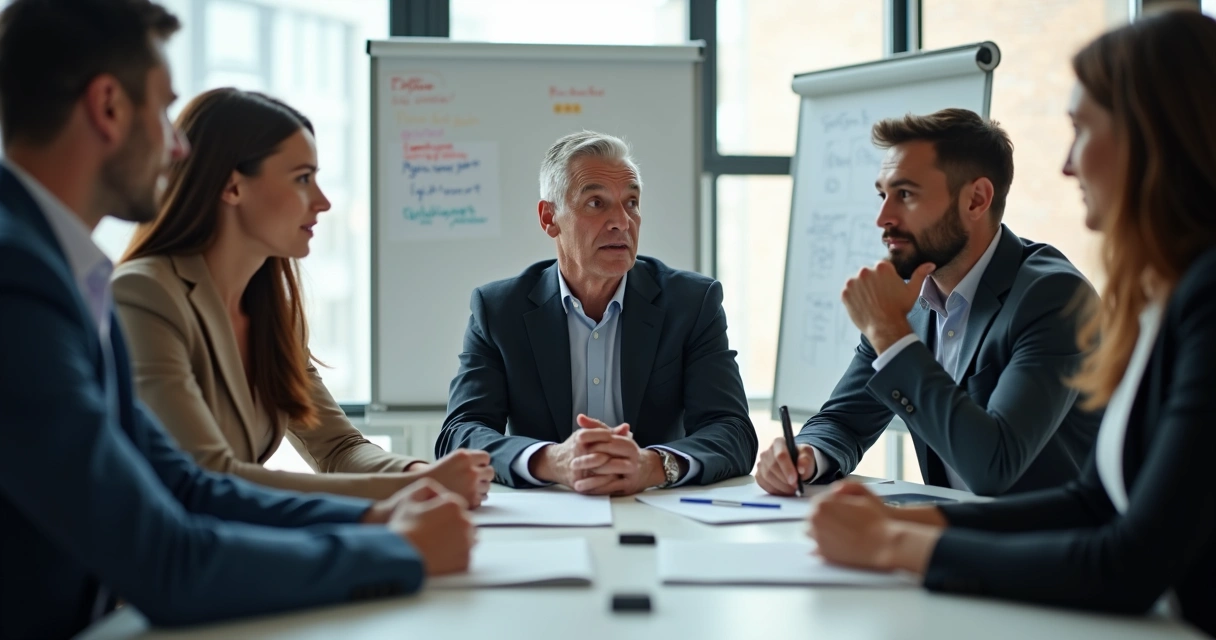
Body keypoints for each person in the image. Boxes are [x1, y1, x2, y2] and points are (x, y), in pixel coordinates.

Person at [0, 2, 473, 638]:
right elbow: (167, 558)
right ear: (108, 107)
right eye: (164, 109)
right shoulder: (21, 283)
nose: (176, 146)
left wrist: (380, 519)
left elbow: (188, 486)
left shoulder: (66, 274)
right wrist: (399, 548)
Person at [805, 8, 1216, 636]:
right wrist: (901, 519)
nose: (1068, 166)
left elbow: (1126, 561)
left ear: (1150, 139)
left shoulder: (1089, 297)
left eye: (1084, 130)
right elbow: (1098, 503)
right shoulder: (1167, 292)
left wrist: (893, 546)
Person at [113, 88, 494, 506]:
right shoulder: (144, 295)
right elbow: (209, 476)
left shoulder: (272, 312)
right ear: (232, 186)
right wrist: (411, 489)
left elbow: (338, 449)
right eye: (302, 179)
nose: (323, 201)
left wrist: (420, 473)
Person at [756, 108, 1100, 498]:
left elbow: (995, 466)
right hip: (962, 538)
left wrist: (891, 334)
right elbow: (845, 420)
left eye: (905, 194)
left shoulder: (1053, 297)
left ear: (975, 200)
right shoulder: (911, 298)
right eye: (883, 195)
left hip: (1053, 546)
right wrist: (805, 453)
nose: (883, 217)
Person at [436, 131, 757, 494]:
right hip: (546, 516)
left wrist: (652, 465)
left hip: (658, 512)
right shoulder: (498, 310)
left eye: (631, 202)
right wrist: (552, 461)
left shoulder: (691, 303)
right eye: (596, 203)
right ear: (549, 218)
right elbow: (460, 433)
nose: (622, 221)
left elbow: (733, 432)